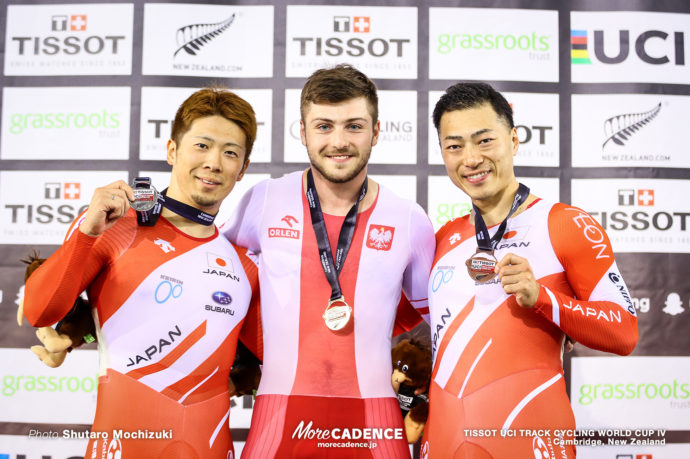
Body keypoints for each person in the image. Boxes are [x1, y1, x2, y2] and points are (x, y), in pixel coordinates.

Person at [22, 87, 260, 459]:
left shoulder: (246, 263)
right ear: (171, 151)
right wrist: (87, 235)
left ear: (242, 168)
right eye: (202, 145)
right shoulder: (114, 226)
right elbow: (40, 311)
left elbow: (276, 358)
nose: (214, 162)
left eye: (230, 152)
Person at [221, 64, 435, 458]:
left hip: (375, 420)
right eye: (323, 126)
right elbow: (213, 275)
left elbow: (434, 323)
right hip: (280, 415)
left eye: (354, 126)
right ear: (302, 133)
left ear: (376, 130)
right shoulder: (263, 200)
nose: (339, 141)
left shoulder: (408, 218)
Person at [420, 82, 639, 458]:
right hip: (442, 441)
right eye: (454, 146)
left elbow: (623, 331)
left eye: (484, 140)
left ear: (515, 139)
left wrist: (544, 298)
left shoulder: (565, 224)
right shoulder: (443, 238)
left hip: (531, 438)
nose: (470, 159)